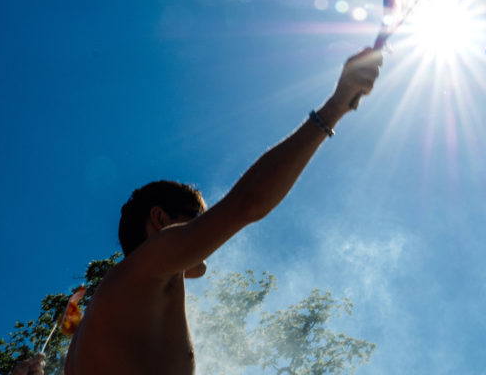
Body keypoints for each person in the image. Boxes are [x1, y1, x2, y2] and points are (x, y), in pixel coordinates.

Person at [64, 48, 383, 375]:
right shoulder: (151, 260)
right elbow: (247, 204)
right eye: (196, 220)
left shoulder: (86, 338)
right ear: (161, 220)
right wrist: (335, 106)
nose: (206, 231)